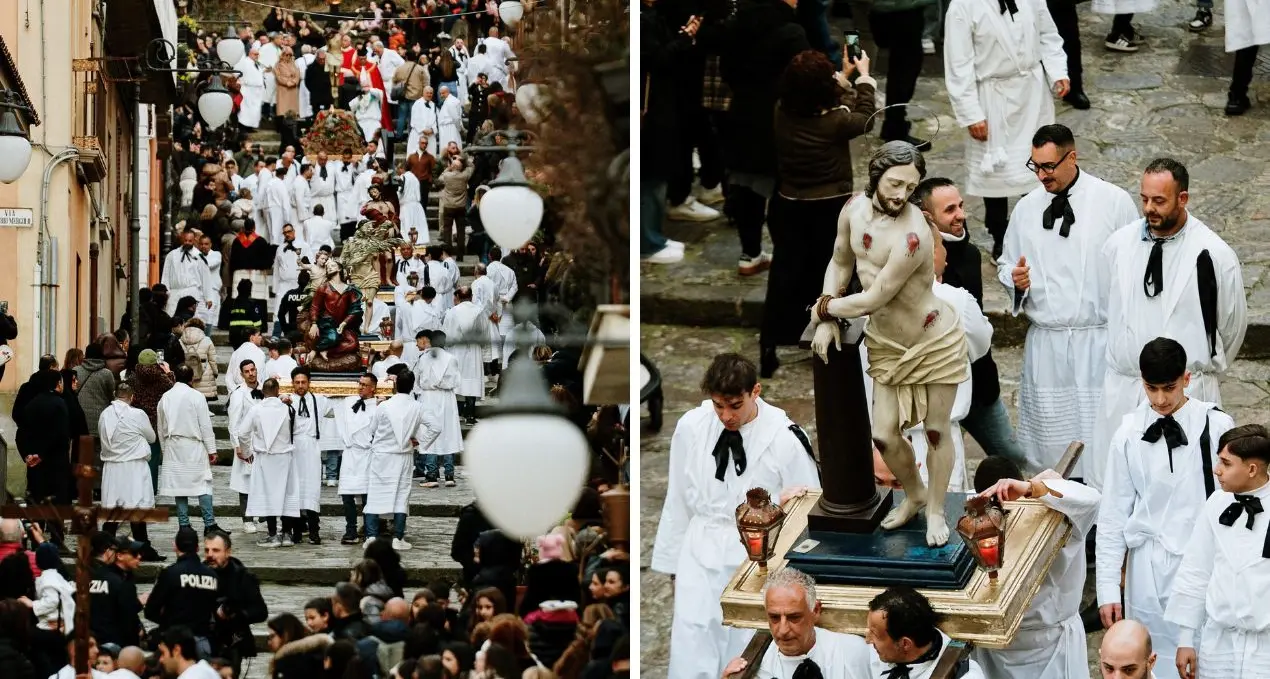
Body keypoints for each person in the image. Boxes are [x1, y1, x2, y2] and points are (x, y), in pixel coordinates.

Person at [652, 353, 820, 679]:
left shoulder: (784, 438)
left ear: (755, 391)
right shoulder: (691, 427)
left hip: (758, 554)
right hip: (700, 546)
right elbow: (678, 497)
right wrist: (672, 564)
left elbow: (808, 507)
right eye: (718, 406)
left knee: (745, 640)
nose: (726, 415)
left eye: (734, 405)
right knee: (693, 636)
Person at [1093, 159, 1247, 491]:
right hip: (1126, 390)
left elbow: (1231, 327)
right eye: (1144, 198)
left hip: (1186, 392)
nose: (1149, 208)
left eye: (1159, 200)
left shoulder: (1214, 254)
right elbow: (1107, 306)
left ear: (1183, 199)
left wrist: (1196, 369)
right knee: (1121, 488)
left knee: (1185, 489)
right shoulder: (1118, 245)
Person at [997, 125, 1139, 476]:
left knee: (1102, 442)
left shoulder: (1113, 202)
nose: (1041, 175)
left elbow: (1135, 263)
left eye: (1048, 166)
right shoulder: (1026, 209)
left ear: (1072, 157)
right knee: (1050, 448)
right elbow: (1007, 262)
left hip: (1098, 341)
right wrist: (1015, 280)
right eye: (1035, 166)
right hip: (1049, 346)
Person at [1096, 338, 1235, 679]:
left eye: (1169, 388)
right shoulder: (1128, 433)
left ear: (1186, 379)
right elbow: (1113, 514)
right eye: (1151, 388)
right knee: (1148, 658)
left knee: (1203, 657)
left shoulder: (1216, 426)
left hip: (1200, 562)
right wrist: (1108, 588)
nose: (1160, 399)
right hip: (1146, 569)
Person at [759, 48, 877, 375]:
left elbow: (822, 99)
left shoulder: (781, 111)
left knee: (785, 273)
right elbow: (865, 117)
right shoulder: (836, 122)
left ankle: (770, 343)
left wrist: (841, 77)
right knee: (833, 272)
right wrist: (863, 79)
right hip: (829, 206)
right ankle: (834, 338)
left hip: (788, 204)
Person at [910, 178, 1024, 464]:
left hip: (980, 386)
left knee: (1012, 456)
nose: (961, 214)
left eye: (960, 205)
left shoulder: (971, 254)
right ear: (927, 217)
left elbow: (979, 331)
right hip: (937, 393)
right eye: (950, 210)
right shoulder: (909, 267)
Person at [943, 0, 1069, 259]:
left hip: (1031, 94)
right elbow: (958, 64)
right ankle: (1000, 233)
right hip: (992, 99)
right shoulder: (963, 6)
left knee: (1039, 165)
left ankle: (1039, 226)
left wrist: (1058, 71)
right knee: (996, 174)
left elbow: (1048, 34)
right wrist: (971, 113)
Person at [972, 457, 1101, 677]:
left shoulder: (1056, 511)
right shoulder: (976, 520)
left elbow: (1094, 500)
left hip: (1052, 645)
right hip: (997, 649)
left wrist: (1031, 488)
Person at [1164, 424, 1270, 679]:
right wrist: (1186, 639)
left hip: (1265, 647)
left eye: (1226, 463)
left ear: (1252, 469)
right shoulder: (1216, 503)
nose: (1216, 469)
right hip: (1219, 643)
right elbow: (1196, 569)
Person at [721, 568, 870, 678]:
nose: (783, 630)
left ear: (815, 610)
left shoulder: (854, 653)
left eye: (794, 617)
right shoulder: (755, 669)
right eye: (774, 617)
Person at [366, 371, 440, 550]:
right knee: (401, 496)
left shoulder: (384, 406)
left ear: (395, 385)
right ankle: (397, 537)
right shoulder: (417, 407)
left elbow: (372, 429)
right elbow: (436, 427)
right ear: (412, 386)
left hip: (382, 456)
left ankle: (371, 536)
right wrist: (420, 441)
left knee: (375, 494)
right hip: (403, 456)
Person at [865, 587, 987, 678]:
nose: (868, 640)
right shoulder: (875, 651)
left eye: (875, 634)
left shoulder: (966, 676)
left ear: (905, 644)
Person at [98, 383, 161, 557]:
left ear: (115, 394)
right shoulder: (137, 414)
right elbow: (151, 437)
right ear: (132, 397)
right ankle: (143, 547)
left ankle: (106, 546)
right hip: (133, 466)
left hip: (113, 466)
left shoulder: (105, 414)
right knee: (136, 505)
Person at [158, 364, 220, 535]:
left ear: (175, 377)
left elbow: (161, 427)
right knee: (203, 484)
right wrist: (212, 450)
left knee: (179, 487)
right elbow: (205, 425)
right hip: (193, 446)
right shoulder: (197, 396)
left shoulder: (165, 397)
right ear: (192, 379)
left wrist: (165, 450)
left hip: (173, 446)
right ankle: (209, 523)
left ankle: (184, 524)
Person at [242, 378, 302, 548]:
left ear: (263, 392)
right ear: (277, 390)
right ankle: (287, 534)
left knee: (268, 495)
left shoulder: (256, 410)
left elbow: (242, 433)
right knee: (286, 495)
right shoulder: (288, 409)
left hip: (265, 458)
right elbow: (296, 429)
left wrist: (247, 452)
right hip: (285, 457)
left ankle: (273, 534)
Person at [146, 528, 220, 658]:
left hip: (174, 643)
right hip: (202, 640)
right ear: (197, 548)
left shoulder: (170, 573)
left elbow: (151, 610)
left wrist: (168, 622)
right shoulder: (212, 575)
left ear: (175, 546)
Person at [205, 531, 268, 678]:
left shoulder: (243, 577)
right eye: (207, 550)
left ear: (227, 552)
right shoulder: (199, 573)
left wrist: (236, 614)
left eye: (216, 550)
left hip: (232, 641)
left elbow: (260, 611)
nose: (210, 555)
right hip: (204, 639)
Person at [284, 366, 333, 545]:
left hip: (311, 446)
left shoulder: (319, 400)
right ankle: (297, 531)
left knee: (312, 489)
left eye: (303, 382)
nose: (300, 386)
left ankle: (314, 531)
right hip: (294, 446)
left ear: (309, 383)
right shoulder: (287, 401)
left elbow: (339, 409)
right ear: (292, 383)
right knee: (295, 489)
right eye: (297, 382)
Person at [413, 330, 463, 488]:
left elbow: (417, 381)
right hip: (446, 398)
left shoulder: (423, 358)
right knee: (448, 433)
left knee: (430, 433)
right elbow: (456, 380)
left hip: (428, 396)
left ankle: (432, 475)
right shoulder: (451, 358)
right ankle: (449, 475)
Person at [337, 373, 379, 545]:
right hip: (350, 453)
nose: (360, 387)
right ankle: (351, 530)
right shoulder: (349, 402)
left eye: (364, 385)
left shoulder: (378, 407)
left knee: (367, 495)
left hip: (367, 454)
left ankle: (370, 531)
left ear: (373, 388)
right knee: (347, 495)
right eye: (359, 384)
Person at [19, 370, 71, 505]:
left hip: (35, 465)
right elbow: (60, 434)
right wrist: (42, 454)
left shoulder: (31, 404)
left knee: (37, 506)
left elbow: (21, 433)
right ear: (58, 384)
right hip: (56, 463)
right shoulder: (60, 403)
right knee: (56, 508)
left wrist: (27, 455)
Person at [227, 358, 264, 534]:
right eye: (247, 371)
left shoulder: (265, 388)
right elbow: (233, 422)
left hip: (263, 442)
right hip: (246, 441)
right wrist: (237, 445)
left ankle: (263, 515)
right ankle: (247, 519)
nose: (251, 374)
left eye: (253, 370)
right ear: (242, 375)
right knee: (245, 482)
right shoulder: (238, 394)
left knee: (263, 480)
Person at [443, 286, 488, 426]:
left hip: (456, 350)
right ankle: (470, 415)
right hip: (473, 350)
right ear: (471, 296)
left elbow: (447, 334)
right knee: (472, 380)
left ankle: (459, 414)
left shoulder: (452, 312)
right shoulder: (479, 311)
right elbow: (484, 332)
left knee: (458, 380)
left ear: (458, 297)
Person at [163, 230, 217, 316]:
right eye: (185, 240)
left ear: (194, 240)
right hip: (174, 293)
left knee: (190, 319)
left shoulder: (199, 256)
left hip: (192, 293)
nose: (187, 243)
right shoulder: (172, 255)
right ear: (182, 239)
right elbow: (166, 275)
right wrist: (165, 293)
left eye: (190, 241)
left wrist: (208, 298)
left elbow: (205, 277)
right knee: (171, 317)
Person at [156, 626, 222, 679]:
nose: (161, 659)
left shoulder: (190, 676)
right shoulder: (207, 670)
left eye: (163, 653)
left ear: (176, 650)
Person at [226, 326, 268, 391]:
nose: (261, 337)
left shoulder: (236, 352)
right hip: (253, 391)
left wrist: (234, 391)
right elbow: (259, 374)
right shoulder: (258, 352)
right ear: (252, 338)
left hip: (237, 390)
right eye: (259, 335)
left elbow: (229, 376)